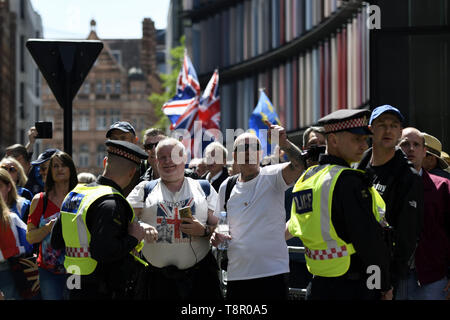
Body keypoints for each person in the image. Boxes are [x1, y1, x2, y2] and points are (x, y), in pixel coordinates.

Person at [287, 109, 392, 300]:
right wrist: (382, 285)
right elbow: (369, 243)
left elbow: (295, 226)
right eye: (356, 139)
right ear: (333, 140)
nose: (363, 145)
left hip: (318, 284)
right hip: (354, 286)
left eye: (365, 140)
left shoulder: (306, 179)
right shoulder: (349, 181)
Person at [211, 121, 305, 301]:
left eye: (254, 147)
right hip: (237, 275)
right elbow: (220, 225)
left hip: (273, 273)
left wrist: (284, 142)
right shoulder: (227, 186)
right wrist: (216, 236)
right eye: (242, 148)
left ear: (261, 154)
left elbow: (301, 165)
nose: (248, 152)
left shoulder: (273, 176)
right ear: (235, 156)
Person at [51, 140, 149, 300]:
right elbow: (104, 251)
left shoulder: (75, 194)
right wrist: (134, 238)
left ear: (105, 162)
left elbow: (56, 241)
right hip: (100, 288)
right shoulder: (112, 203)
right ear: (132, 173)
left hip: (73, 282)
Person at [134, 138, 222, 300]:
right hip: (155, 282)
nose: (168, 161)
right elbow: (125, 220)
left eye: (173, 156)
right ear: (156, 161)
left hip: (199, 281)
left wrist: (204, 231)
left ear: (184, 158)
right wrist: (140, 226)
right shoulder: (144, 189)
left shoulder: (204, 188)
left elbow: (222, 226)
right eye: (162, 157)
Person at [356, 105, 423, 297]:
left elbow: (407, 236)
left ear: (400, 132)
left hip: (381, 272)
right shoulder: (357, 169)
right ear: (370, 129)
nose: (388, 130)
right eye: (382, 124)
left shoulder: (408, 177)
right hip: (349, 267)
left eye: (394, 125)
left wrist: (389, 282)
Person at [398, 127, 450, 300]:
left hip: (432, 278)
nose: (411, 149)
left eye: (416, 145)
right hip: (392, 278)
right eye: (405, 144)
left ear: (424, 151)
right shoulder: (381, 185)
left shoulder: (443, 187)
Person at [26, 151, 78, 300]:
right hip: (48, 271)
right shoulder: (40, 200)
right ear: (50, 172)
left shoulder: (81, 197)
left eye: (63, 165)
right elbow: (30, 237)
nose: (60, 169)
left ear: (71, 169)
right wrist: (49, 227)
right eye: (55, 166)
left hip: (76, 268)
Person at [0, 194, 33, 300]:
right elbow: (28, 242)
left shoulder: (11, 218)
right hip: (9, 267)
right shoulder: (11, 218)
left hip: (7, 268)